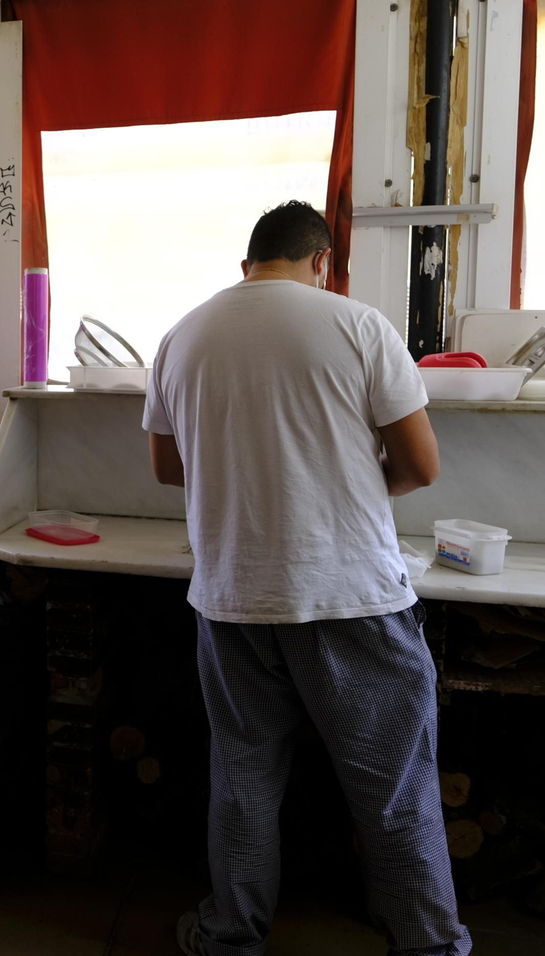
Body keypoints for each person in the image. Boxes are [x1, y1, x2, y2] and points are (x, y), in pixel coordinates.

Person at [143, 201, 470, 956]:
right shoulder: (357, 325)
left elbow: (167, 470)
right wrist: (344, 488)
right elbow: (420, 466)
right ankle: (428, 945)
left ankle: (231, 937)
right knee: (392, 788)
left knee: (244, 783)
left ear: (247, 265)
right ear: (322, 262)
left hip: (231, 599)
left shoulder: (183, 335)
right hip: (349, 595)